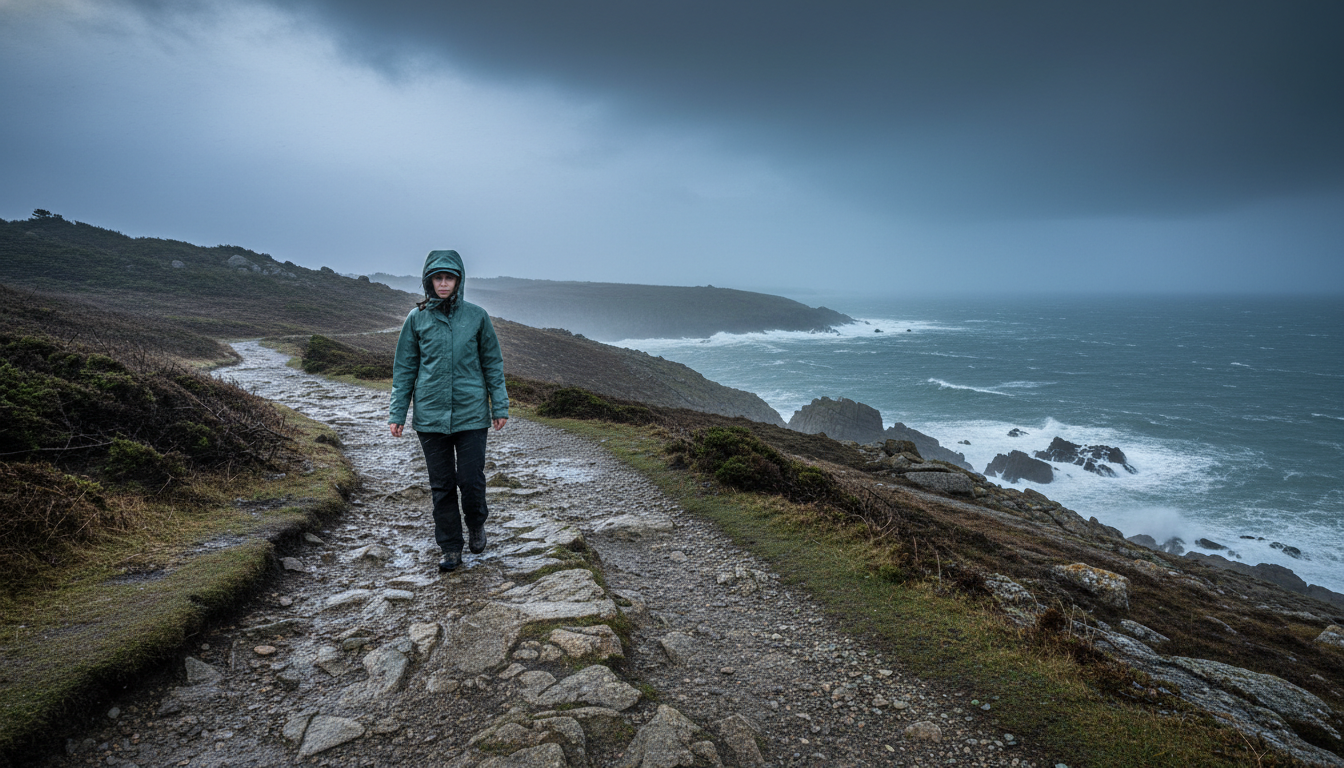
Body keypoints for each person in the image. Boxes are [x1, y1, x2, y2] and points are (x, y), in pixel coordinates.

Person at [389, 249, 508, 572]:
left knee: (470, 480)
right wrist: (397, 414)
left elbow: (492, 364)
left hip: (472, 415)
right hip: (430, 417)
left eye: (449, 278)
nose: (443, 283)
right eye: (438, 278)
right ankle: (450, 547)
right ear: (429, 281)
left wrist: (499, 405)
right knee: (441, 486)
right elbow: (404, 370)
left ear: (459, 280)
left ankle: (476, 523)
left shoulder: (477, 316)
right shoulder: (417, 319)